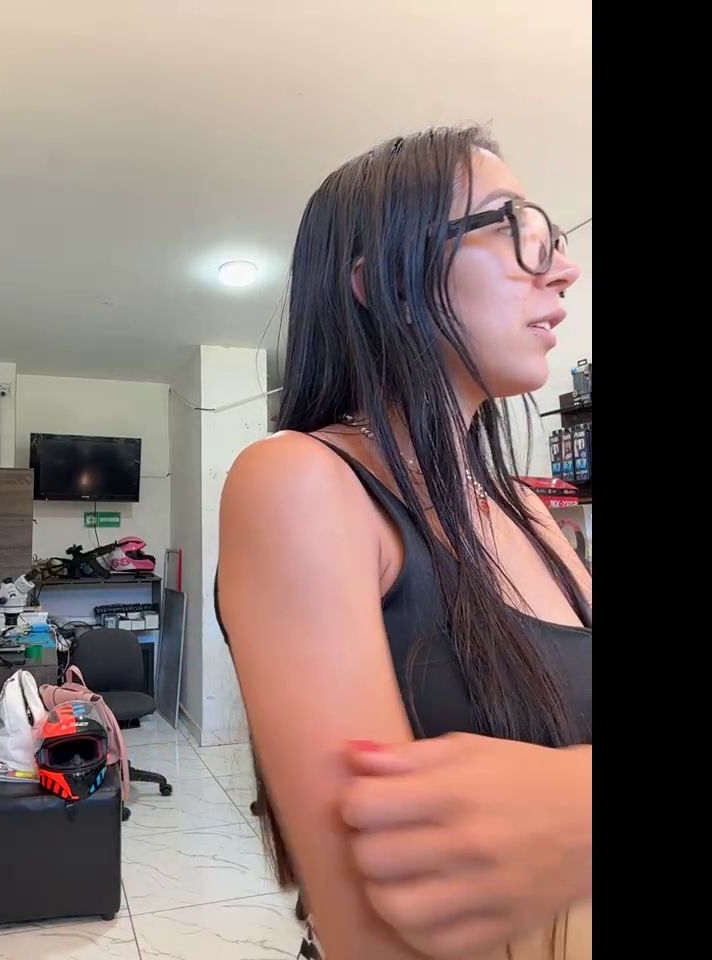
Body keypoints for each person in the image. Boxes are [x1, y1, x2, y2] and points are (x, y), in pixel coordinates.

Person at [216, 126, 592, 960]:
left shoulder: (530, 515)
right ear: (388, 282)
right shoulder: (300, 481)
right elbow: (380, 930)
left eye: (552, 237)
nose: (562, 267)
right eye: (514, 227)